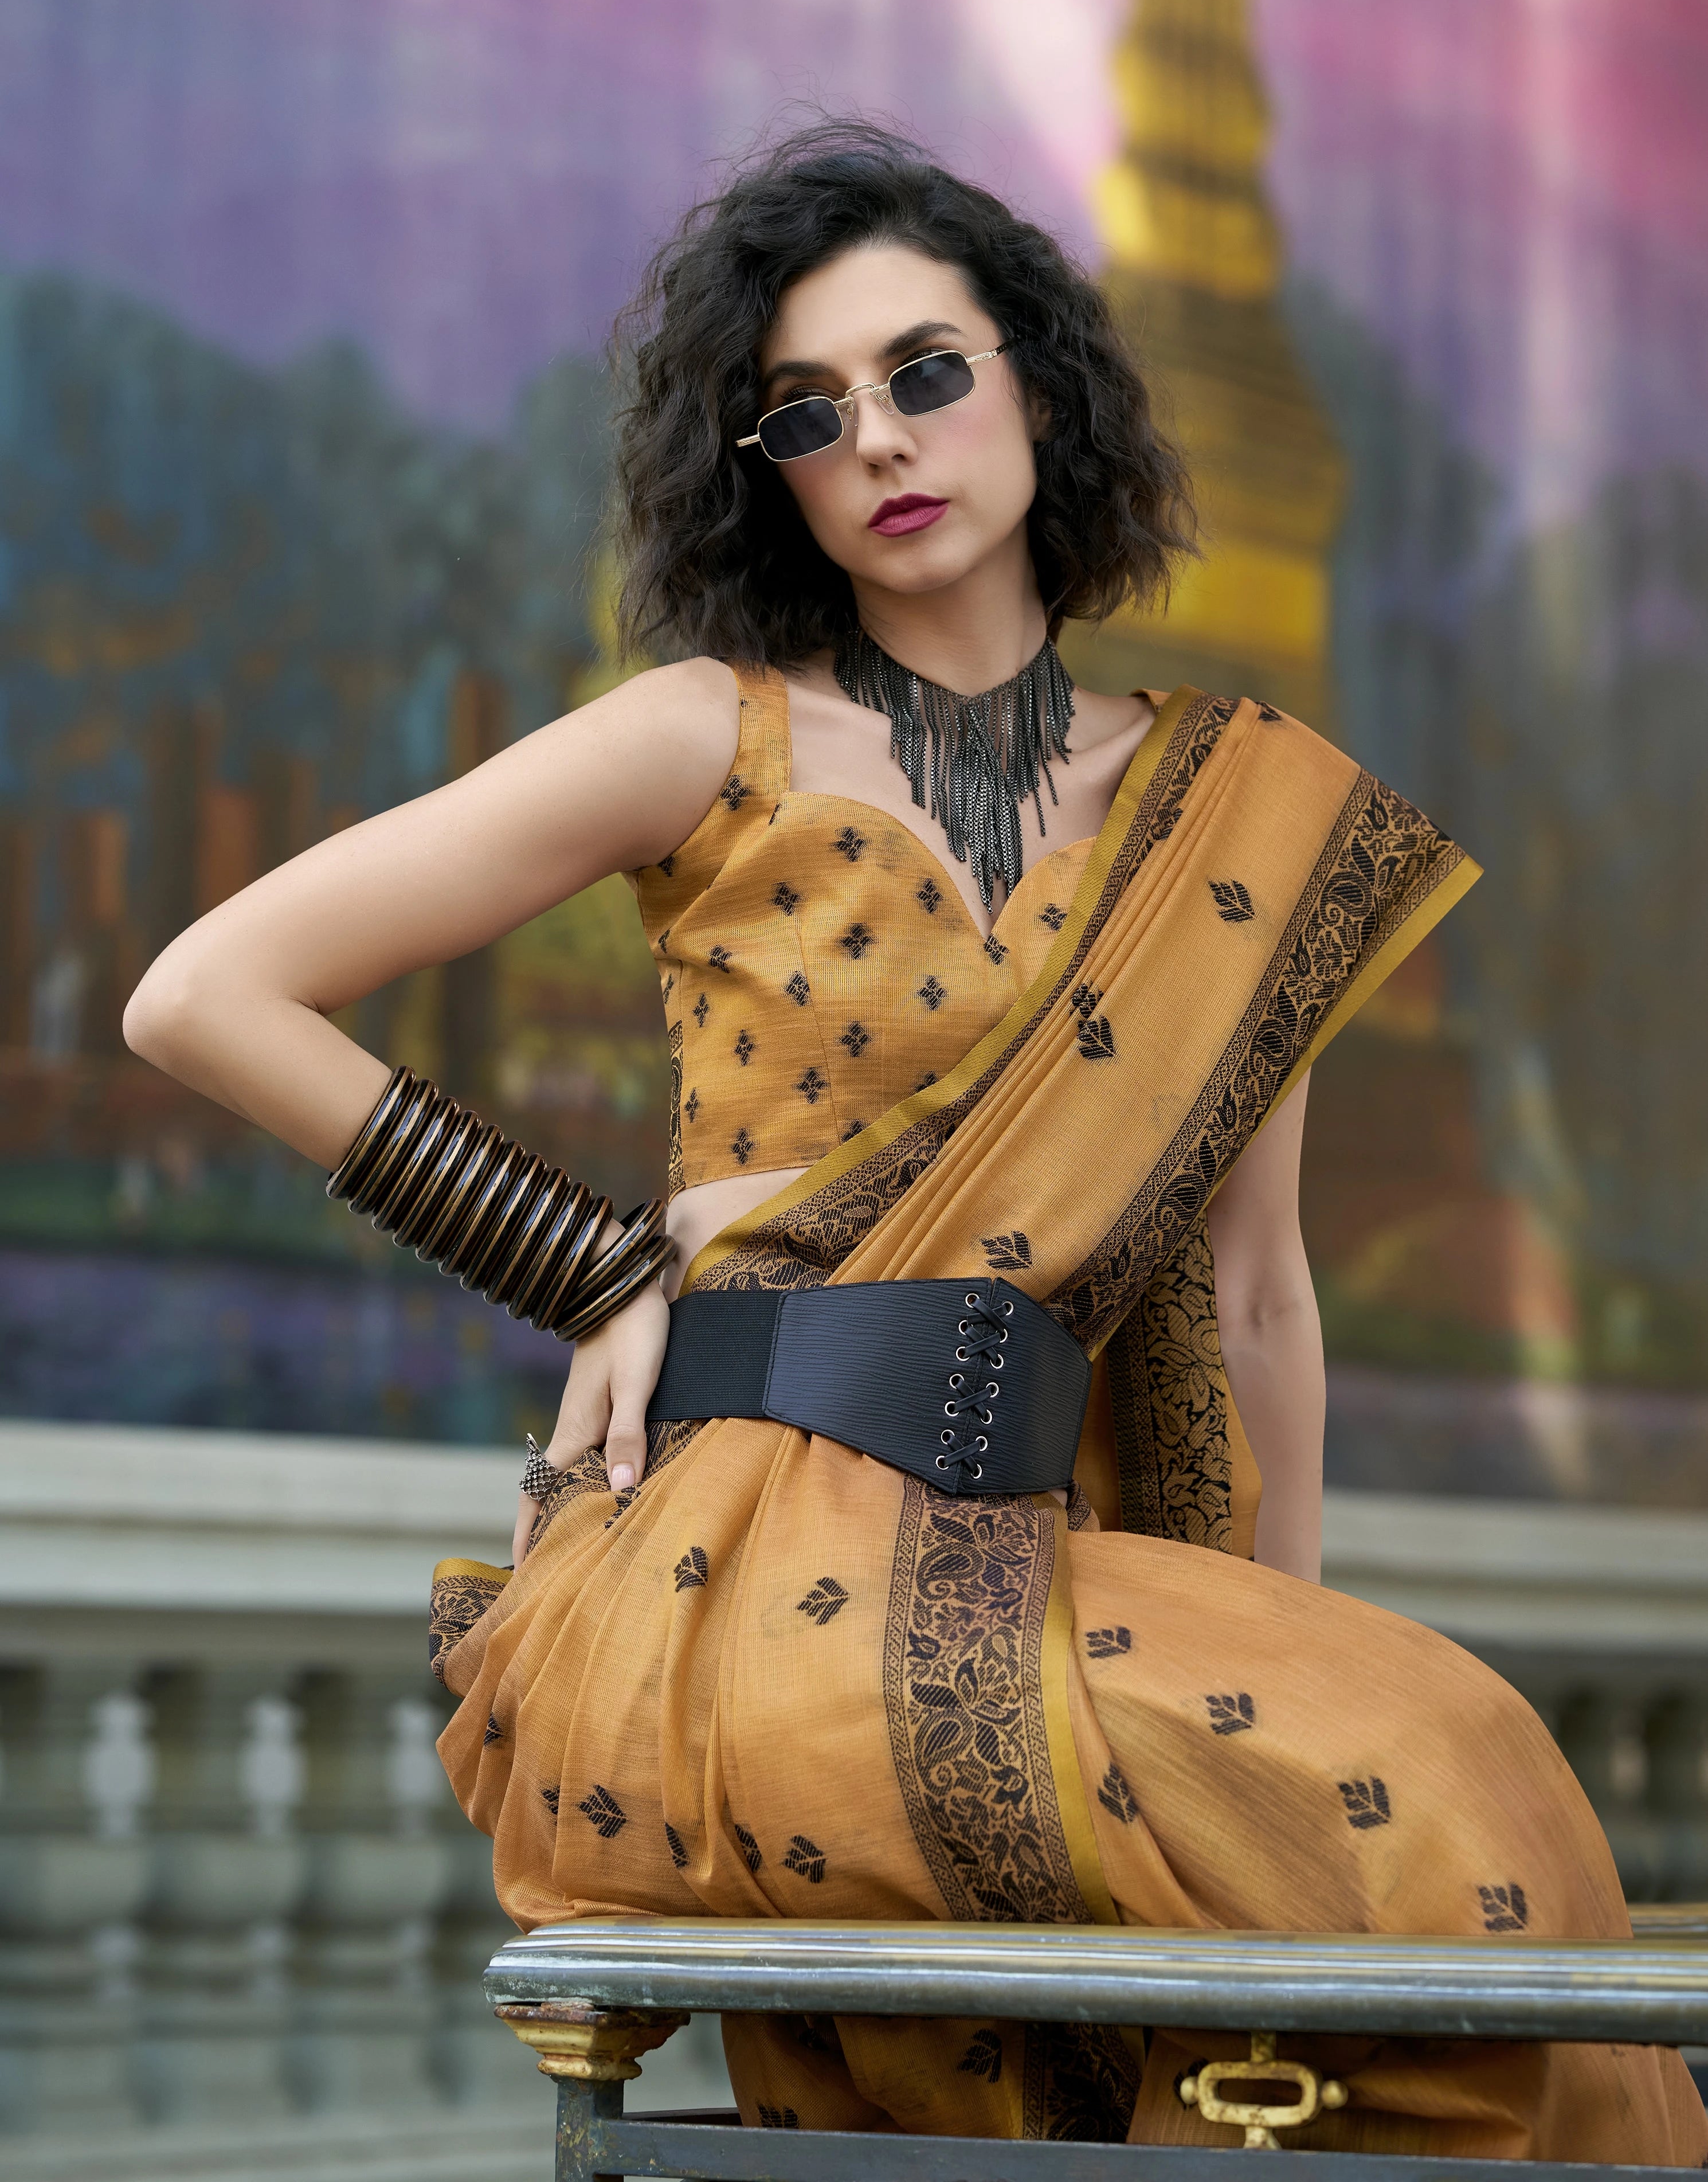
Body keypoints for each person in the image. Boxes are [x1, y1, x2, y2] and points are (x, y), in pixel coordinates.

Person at [124, 122, 1706, 2162]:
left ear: (1038, 385)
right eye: (807, 412)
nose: (878, 437)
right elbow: (201, 996)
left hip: (1043, 1554)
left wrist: (1288, 1653)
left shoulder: (1241, 817)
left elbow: (1252, 1290)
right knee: (1428, 1773)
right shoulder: (705, 736)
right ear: (765, 473)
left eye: (926, 371)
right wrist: (581, 1262)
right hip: (735, 1561)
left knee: (1416, 1762)